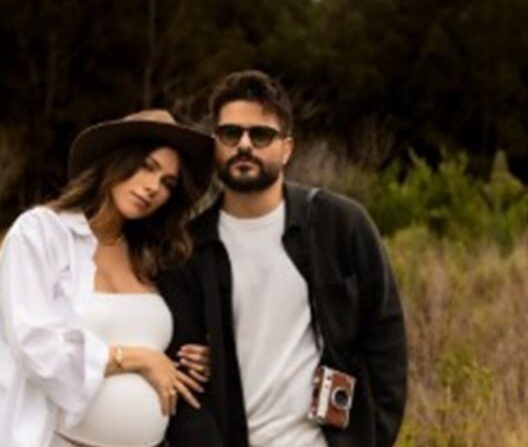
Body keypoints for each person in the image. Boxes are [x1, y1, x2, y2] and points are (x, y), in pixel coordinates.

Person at [161, 71, 408, 447]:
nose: (245, 145)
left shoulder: (340, 225)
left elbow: (385, 340)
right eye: (230, 134)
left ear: (287, 149)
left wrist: (374, 438)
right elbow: (184, 386)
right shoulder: (188, 250)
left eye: (260, 135)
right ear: (215, 144)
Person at [0, 109, 216, 447]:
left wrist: (201, 359)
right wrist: (138, 359)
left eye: (167, 182)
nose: (153, 187)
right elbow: (36, 348)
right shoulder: (41, 233)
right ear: (116, 160)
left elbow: (167, 346)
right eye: (147, 166)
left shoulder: (152, 255)